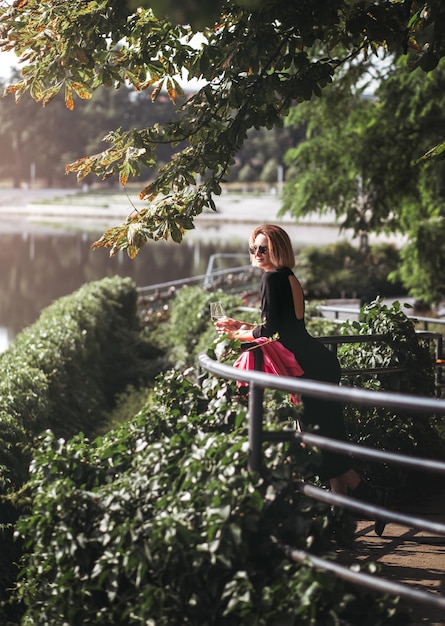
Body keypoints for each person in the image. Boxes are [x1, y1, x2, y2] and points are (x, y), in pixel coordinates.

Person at [215, 224, 387, 536]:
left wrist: (234, 333)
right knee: (327, 439)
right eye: (253, 248)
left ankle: (373, 500)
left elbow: (269, 333)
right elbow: (284, 326)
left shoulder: (271, 278)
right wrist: (242, 325)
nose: (256, 254)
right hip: (317, 361)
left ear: (277, 249)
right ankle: (346, 514)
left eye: (262, 248)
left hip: (308, 368)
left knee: (316, 442)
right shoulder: (288, 276)